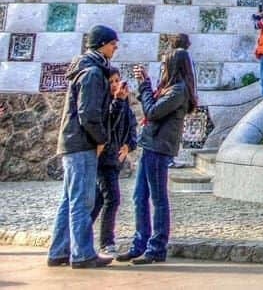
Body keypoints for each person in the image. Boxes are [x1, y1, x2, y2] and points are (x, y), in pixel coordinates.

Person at [48, 25, 117, 268]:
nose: (115, 48)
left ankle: (59, 251)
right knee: (82, 201)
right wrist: (100, 139)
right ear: (101, 45)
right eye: (112, 44)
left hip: (72, 142)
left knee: (69, 199)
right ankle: (82, 254)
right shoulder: (92, 73)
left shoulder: (85, 69)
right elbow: (88, 113)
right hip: (82, 143)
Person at [124, 48, 195, 265]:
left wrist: (144, 86)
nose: (162, 68)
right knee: (139, 197)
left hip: (159, 147)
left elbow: (152, 112)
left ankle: (156, 247)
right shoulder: (170, 89)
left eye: (165, 64)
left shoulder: (178, 91)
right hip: (150, 145)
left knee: (158, 198)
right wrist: (146, 85)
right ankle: (140, 243)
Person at [90, 68, 136, 256]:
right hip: (104, 159)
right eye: (112, 81)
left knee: (99, 200)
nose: (116, 84)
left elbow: (131, 127)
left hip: (115, 159)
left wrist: (128, 146)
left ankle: (78, 237)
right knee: (112, 199)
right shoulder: (106, 104)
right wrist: (117, 100)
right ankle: (106, 242)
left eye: (118, 80)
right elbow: (110, 123)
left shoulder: (125, 105)